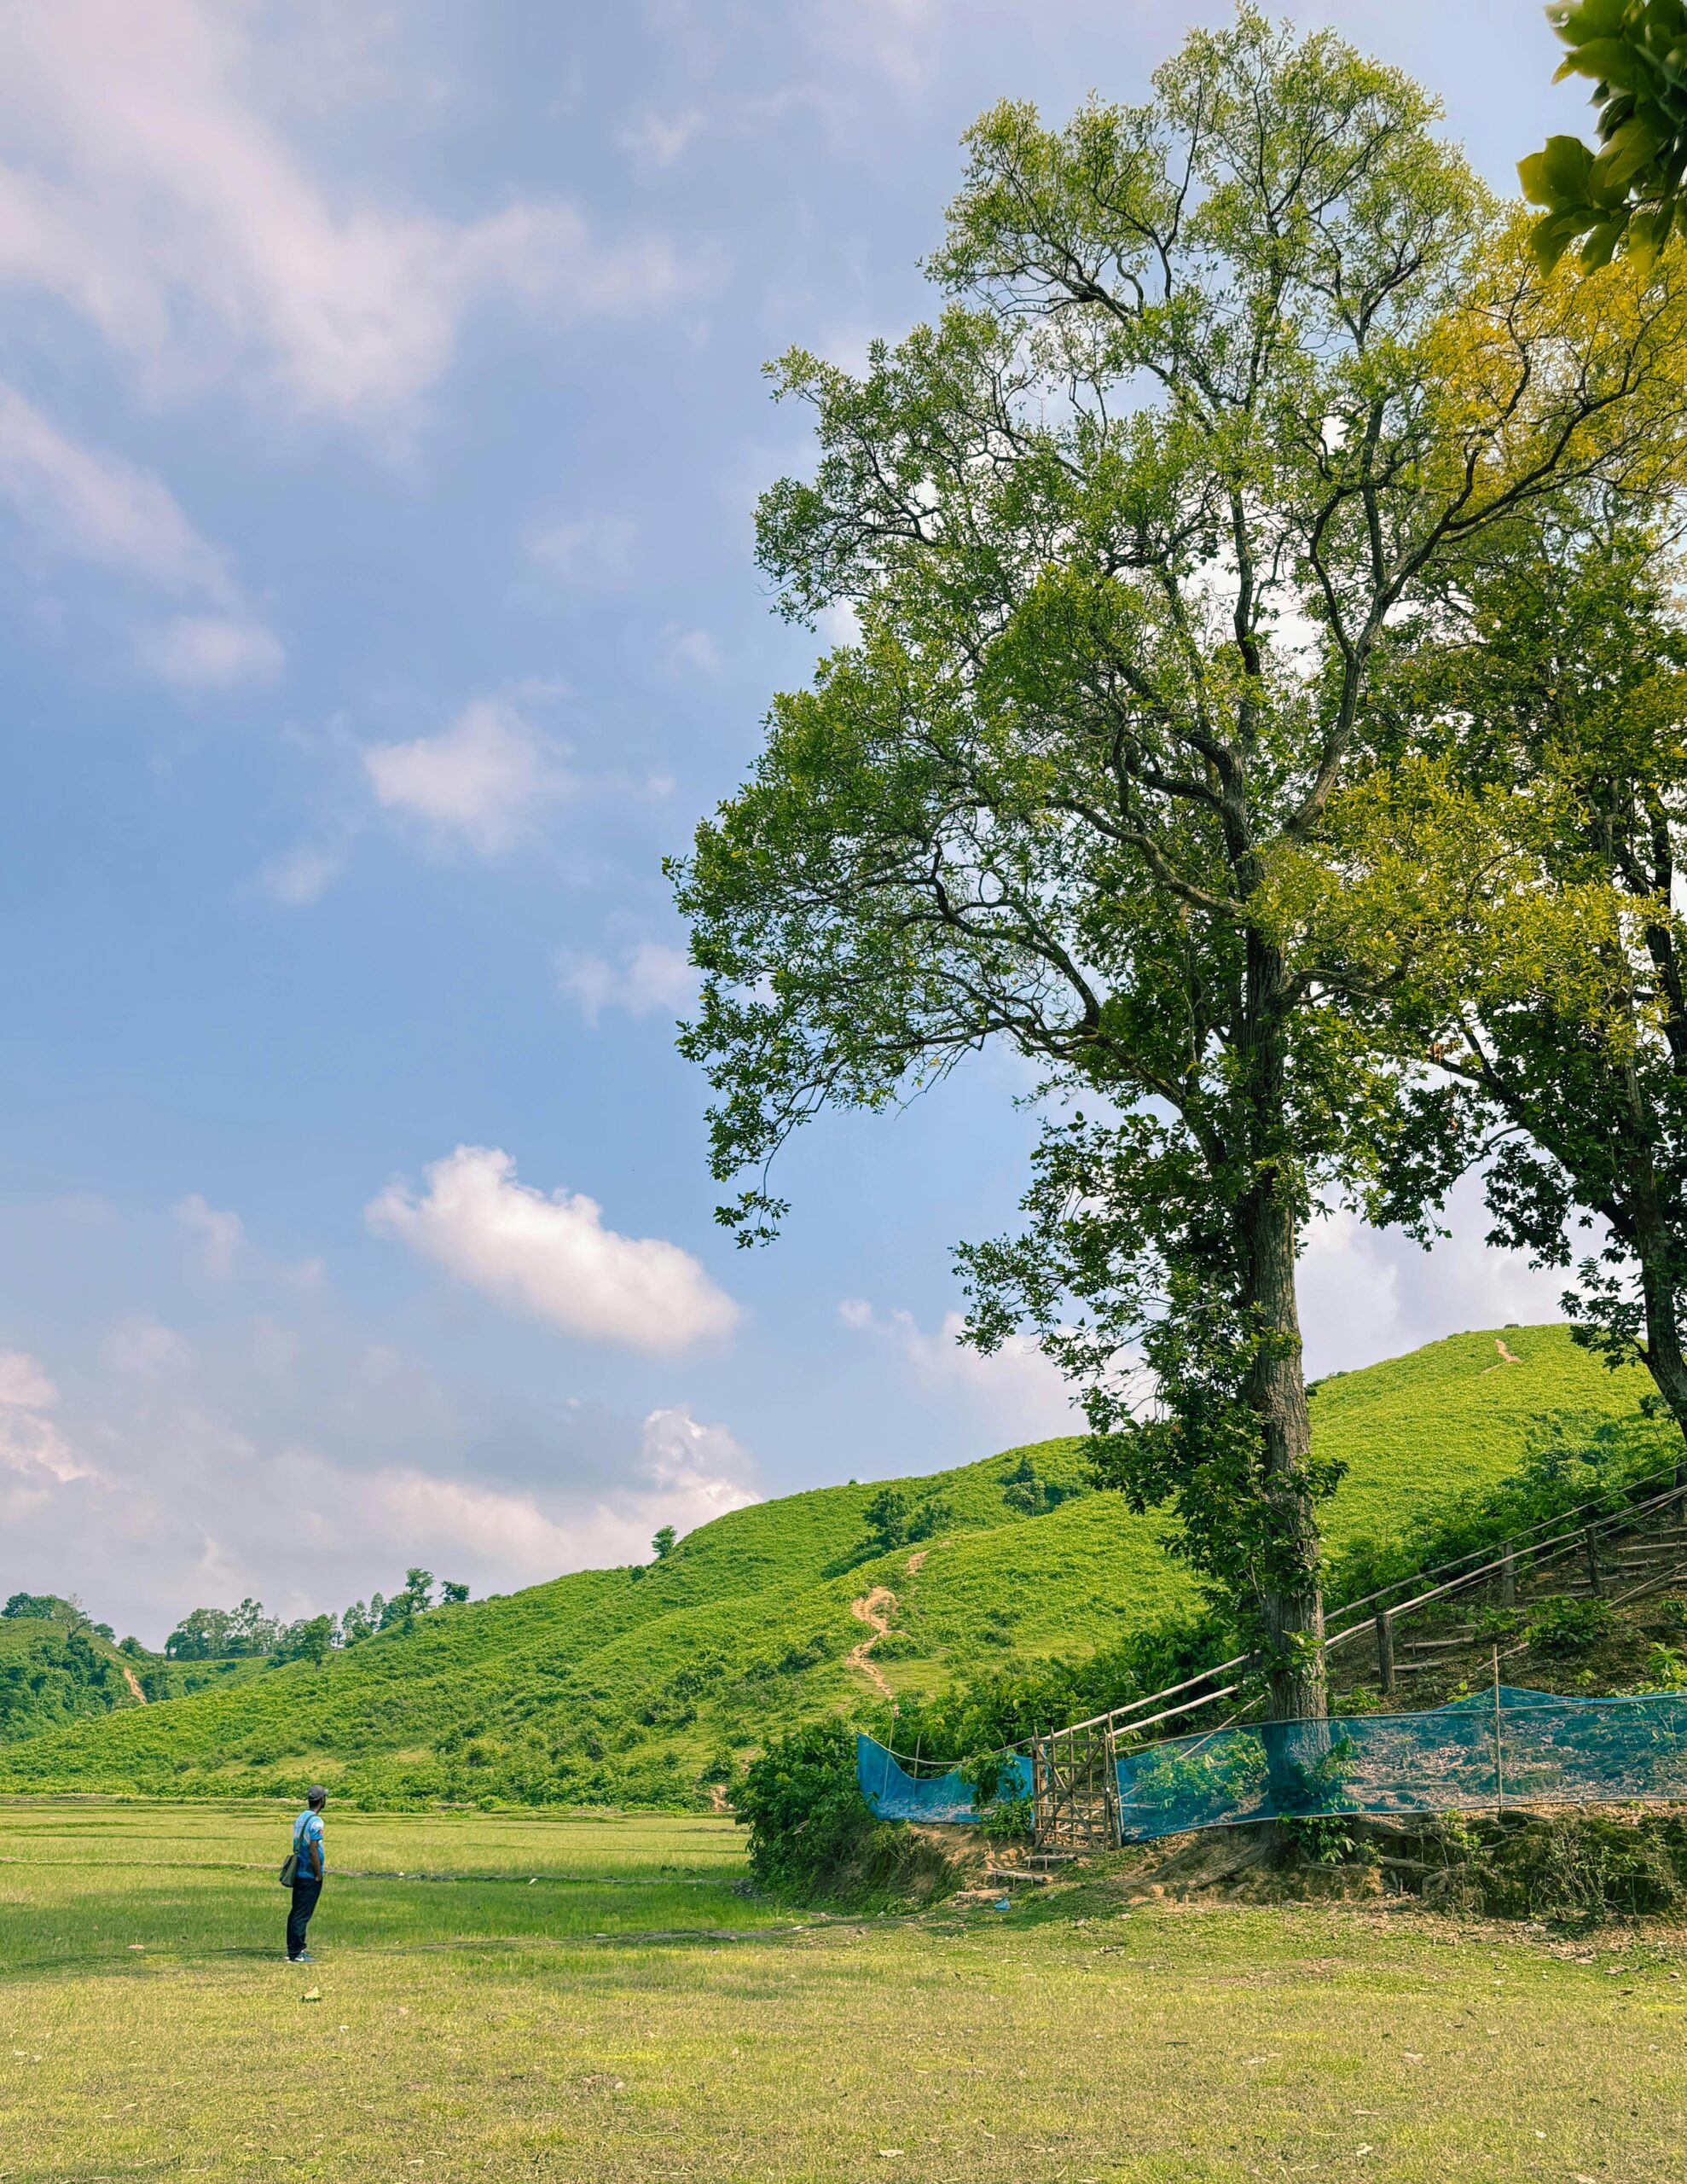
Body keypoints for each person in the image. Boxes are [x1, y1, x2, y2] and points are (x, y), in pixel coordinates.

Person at [287, 1786, 327, 1964]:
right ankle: (298, 1952)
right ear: (321, 1800)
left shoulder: (301, 1818)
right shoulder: (317, 1821)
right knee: (303, 1914)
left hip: (298, 1872)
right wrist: (318, 1874)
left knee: (296, 1911)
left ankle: (293, 1949)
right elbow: (313, 1850)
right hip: (309, 1873)